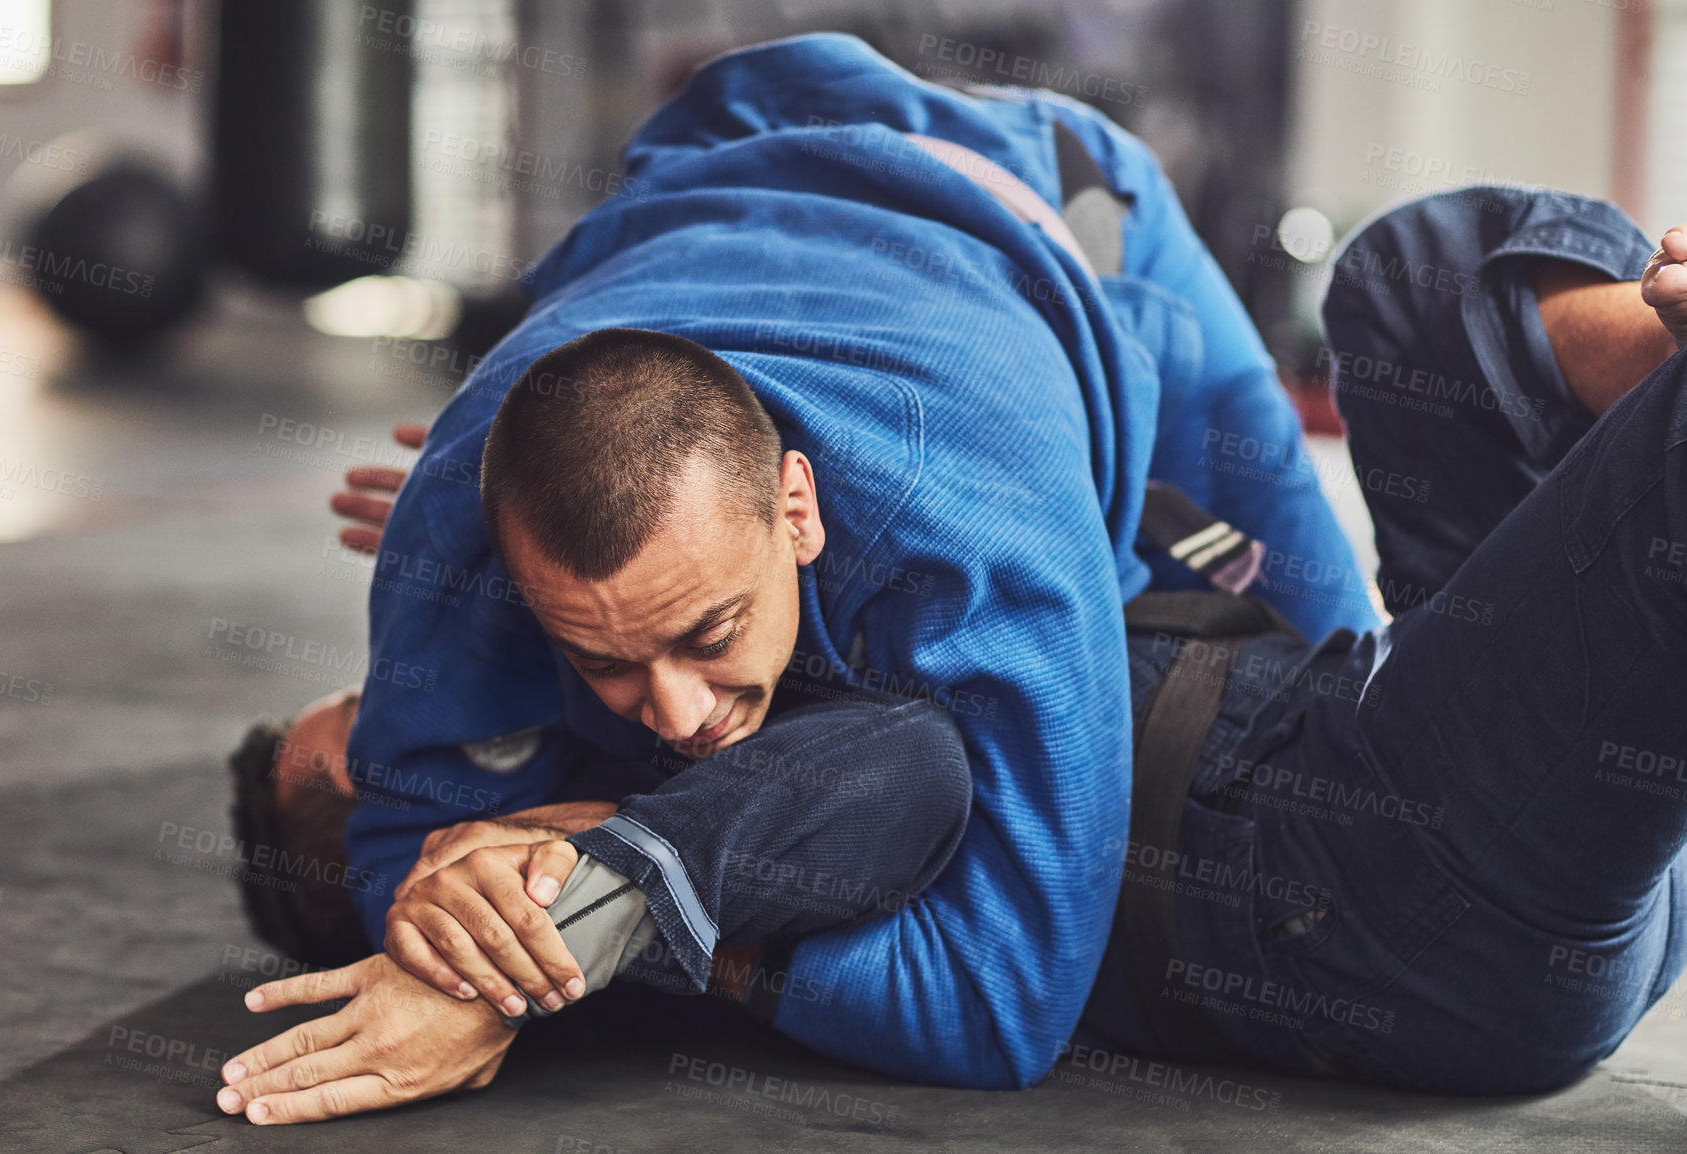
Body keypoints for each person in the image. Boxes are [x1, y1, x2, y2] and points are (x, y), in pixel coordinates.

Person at [211, 32, 1687, 1125]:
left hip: (1405, 751)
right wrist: (589, 908)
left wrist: (492, 496)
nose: (664, 712)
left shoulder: (816, 591)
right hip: (1405, 882)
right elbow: (936, 843)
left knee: (1420, 279)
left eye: (698, 633)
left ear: (790, 506)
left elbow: (623, 445)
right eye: (352, 756)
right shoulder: (738, 817)